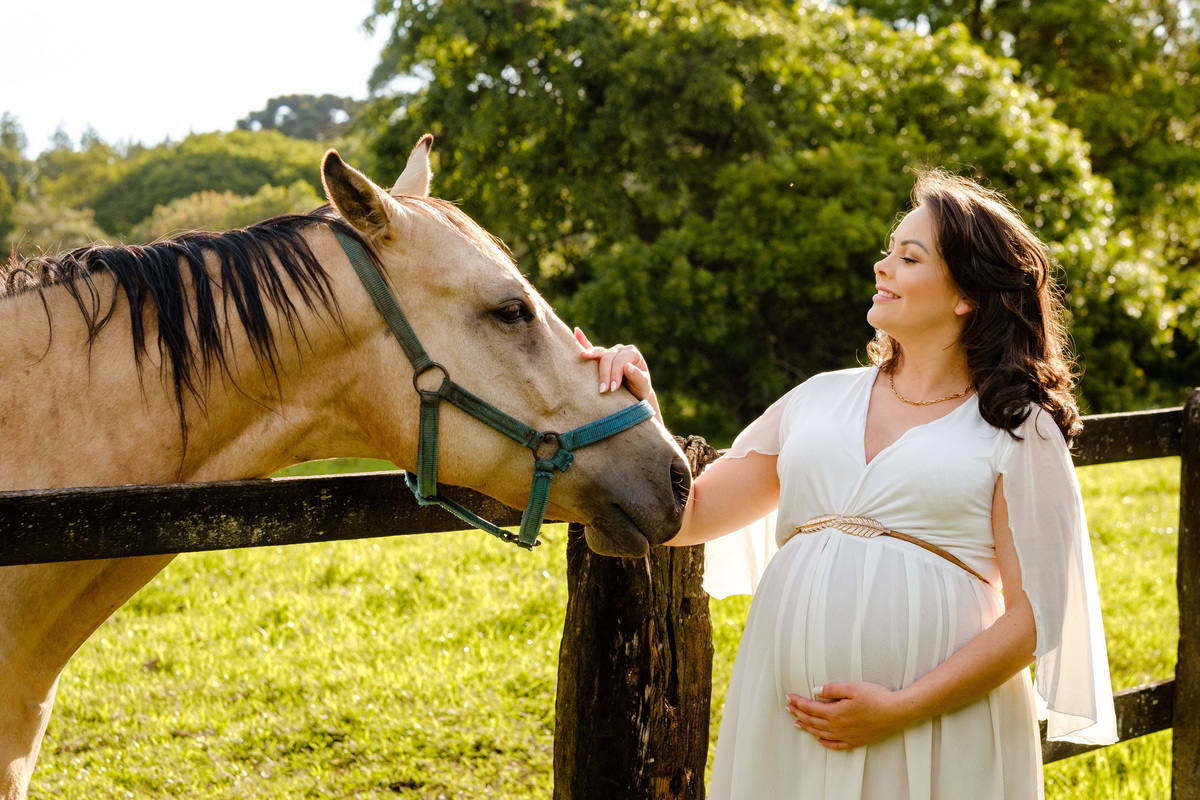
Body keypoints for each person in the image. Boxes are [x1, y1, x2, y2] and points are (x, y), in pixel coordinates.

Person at [575, 169, 1117, 799]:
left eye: (908, 257)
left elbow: (1032, 617)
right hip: (788, 721)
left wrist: (903, 707)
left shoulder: (1017, 426)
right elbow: (686, 516)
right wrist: (639, 410)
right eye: (888, 252)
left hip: (937, 728)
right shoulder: (817, 398)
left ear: (967, 293)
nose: (882, 267)